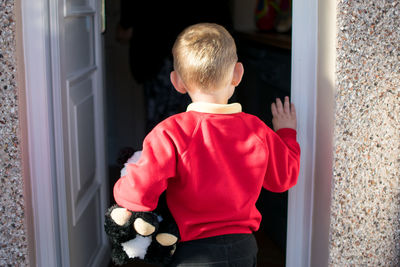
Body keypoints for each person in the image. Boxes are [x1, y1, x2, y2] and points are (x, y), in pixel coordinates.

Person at [113, 23, 300, 267]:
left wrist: (123, 183)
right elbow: (284, 178)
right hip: (243, 249)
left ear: (177, 82)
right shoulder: (257, 130)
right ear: (237, 74)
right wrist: (286, 133)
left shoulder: (170, 133)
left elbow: (138, 194)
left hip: (192, 253)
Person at [117, 0, 232, 133]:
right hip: (198, 54)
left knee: (165, 127)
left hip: (167, 54)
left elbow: (124, 30)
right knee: (200, 124)